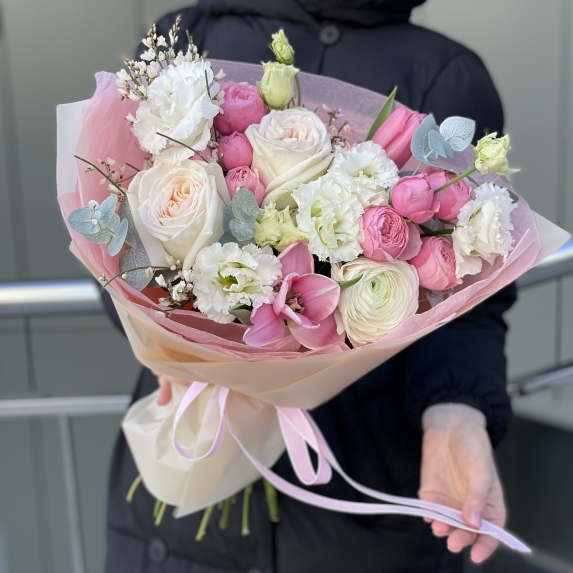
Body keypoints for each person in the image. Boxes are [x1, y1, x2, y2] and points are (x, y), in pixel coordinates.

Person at [103, 1, 516, 572]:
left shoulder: (442, 74)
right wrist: (176, 343)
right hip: (182, 479)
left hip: (360, 500)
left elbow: (468, 295)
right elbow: (118, 240)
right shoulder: (190, 36)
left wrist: (455, 408)